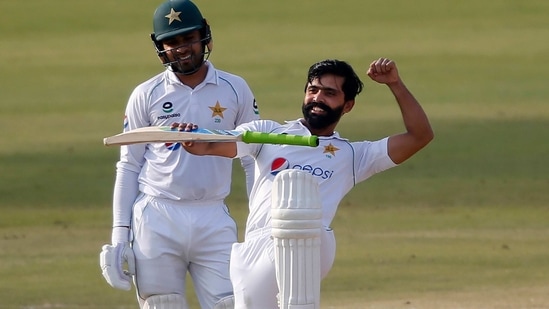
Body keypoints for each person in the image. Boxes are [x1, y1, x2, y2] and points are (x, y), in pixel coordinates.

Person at [175, 57, 434, 308]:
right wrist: (191, 138)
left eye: (330, 93)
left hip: (310, 238)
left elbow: (420, 136)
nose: (318, 98)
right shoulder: (269, 133)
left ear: (348, 106)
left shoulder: (354, 155)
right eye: (313, 90)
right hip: (255, 247)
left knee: (302, 227)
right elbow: (209, 145)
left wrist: (395, 84)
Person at [99, 0, 260, 308]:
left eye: (188, 39)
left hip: (213, 215)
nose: (182, 49)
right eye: (172, 42)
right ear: (160, 47)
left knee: (232, 303)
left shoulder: (235, 88)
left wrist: (257, 222)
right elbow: (129, 166)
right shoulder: (146, 94)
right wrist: (120, 235)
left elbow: (253, 157)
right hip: (157, 216)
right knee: (162, 303)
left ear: (205, 36)